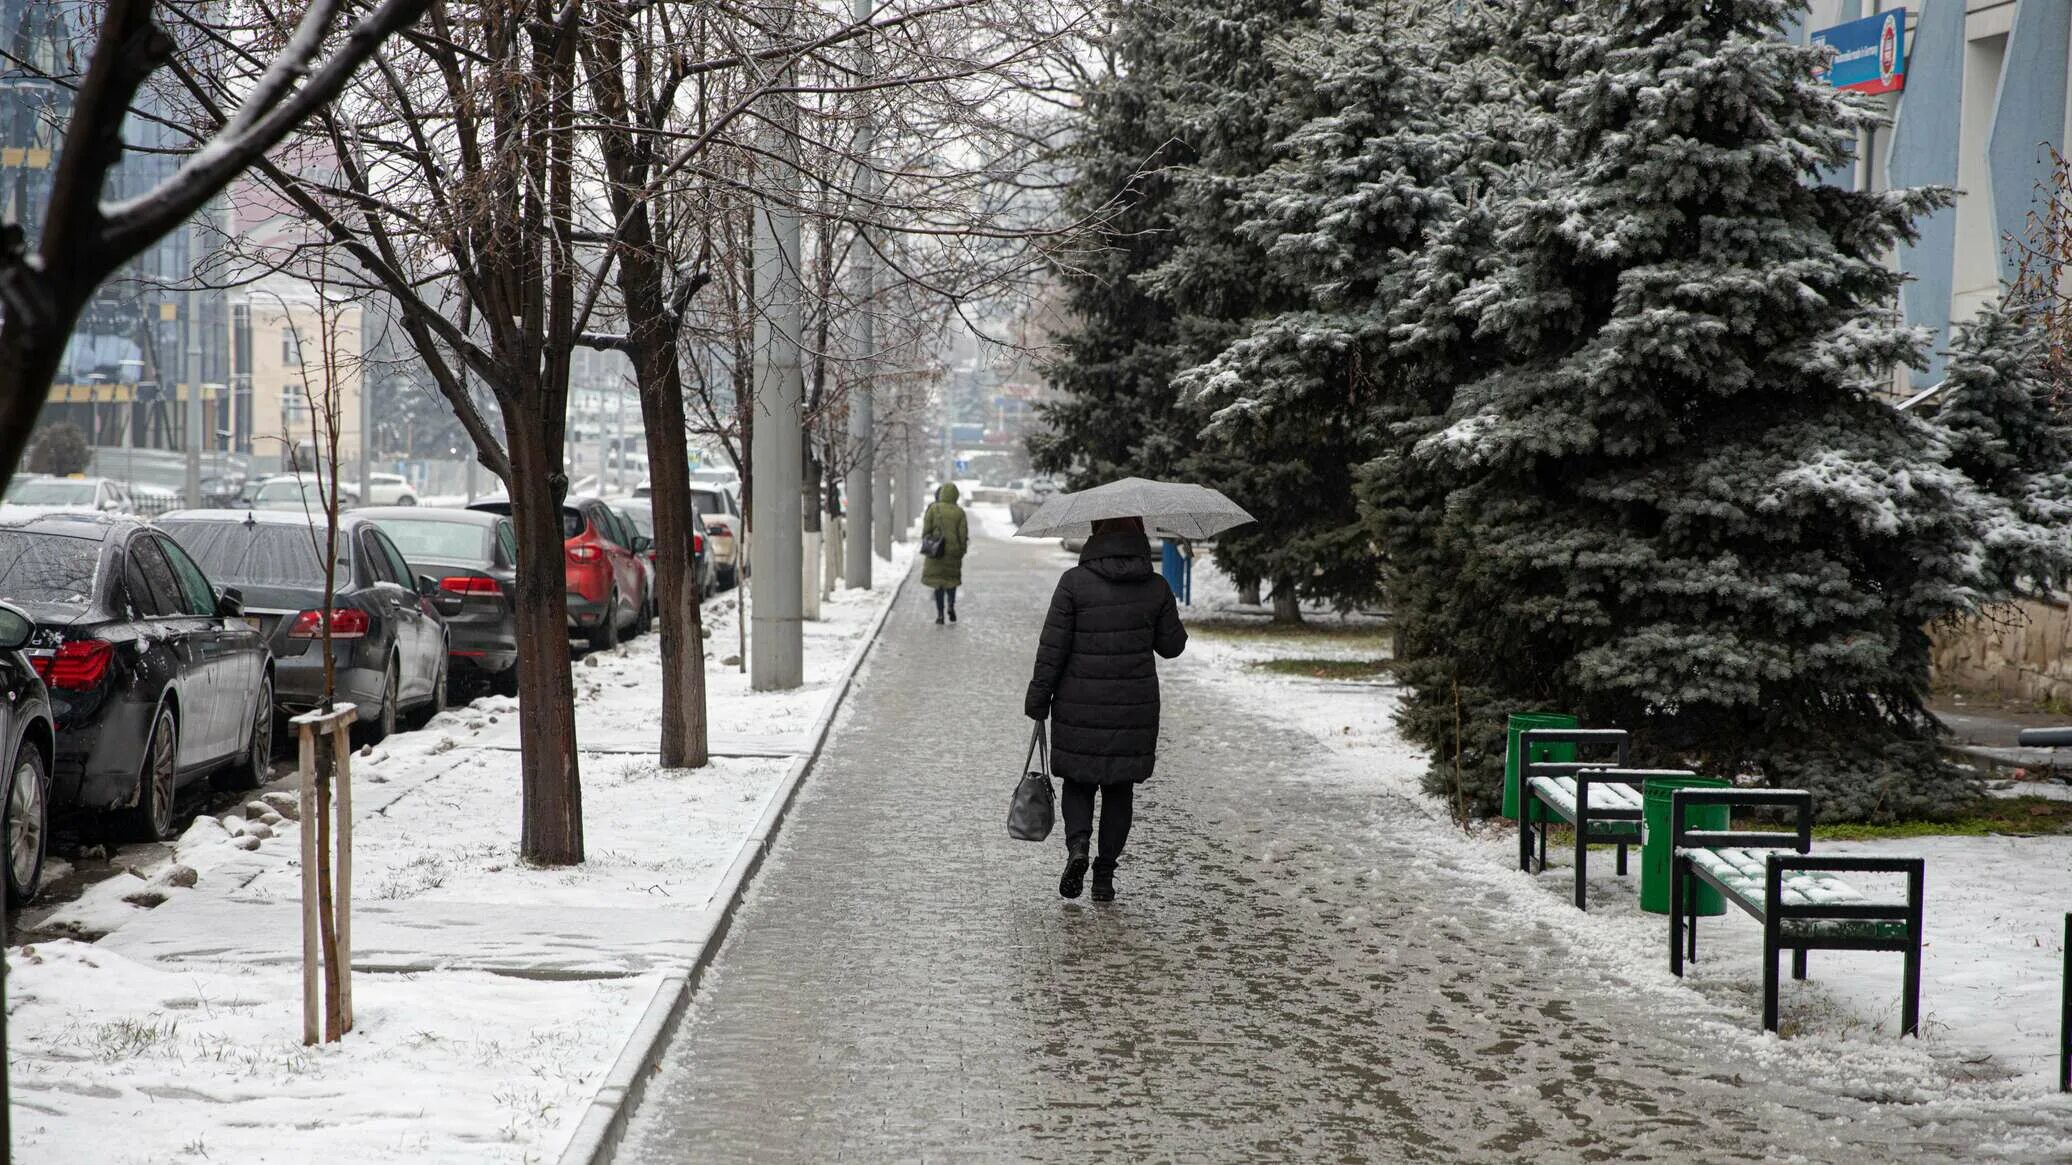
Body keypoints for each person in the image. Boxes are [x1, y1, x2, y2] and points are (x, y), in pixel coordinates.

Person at [1024, 515, 1187, 901]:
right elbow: (1172, 647)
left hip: (1078, 703)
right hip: (1133, 708)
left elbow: (1053, 647)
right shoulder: (1155, 586)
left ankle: (1078, 846)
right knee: (1119, 790)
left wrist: (1038, 697)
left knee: (1078, 782)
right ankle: (1104, 876)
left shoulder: (1073, 583)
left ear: (1095, 533)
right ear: (1140, 536)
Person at [922, 482, 969, 624]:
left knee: (939, 584)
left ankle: (940, 614)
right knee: (951, 582)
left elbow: (926, 531)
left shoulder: (933, 509)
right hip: (953, 553)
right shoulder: (959, 512)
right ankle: (951, 606)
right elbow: (963, 534)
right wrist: (962, 550)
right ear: (956, 495)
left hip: (936, 552)